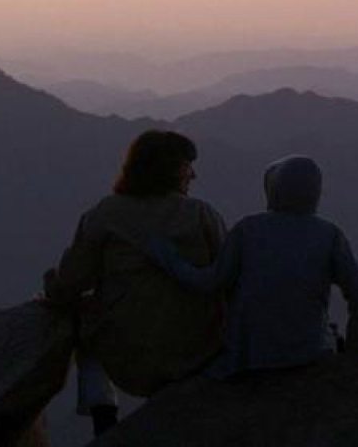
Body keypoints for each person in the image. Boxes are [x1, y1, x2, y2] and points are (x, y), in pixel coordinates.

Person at [42, 130, 225, 435]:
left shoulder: (105, 214)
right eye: (185, 166)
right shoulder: (202, 215)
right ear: (166, 169)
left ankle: (103, 414)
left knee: (83, 321)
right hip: (199, 350)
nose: (193, 174)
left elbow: (70, 283)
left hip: (126, 349)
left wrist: (52, 285)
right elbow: (228, 275)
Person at [145, 155, 358, 380]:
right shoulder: (329, 234)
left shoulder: (247, 230)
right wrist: (357, 347)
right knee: (328, 331)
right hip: (309, 352)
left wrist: (168, 257)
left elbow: (208, 282)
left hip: (251, 357)